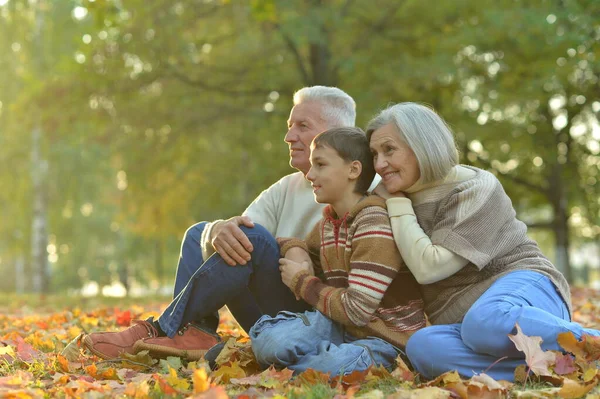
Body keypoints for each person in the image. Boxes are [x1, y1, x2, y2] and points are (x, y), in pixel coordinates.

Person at [83, 86, 379, 361]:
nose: (289, 137)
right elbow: (239, 234)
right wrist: (216, 231)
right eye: (289, 126)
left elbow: (260, 242)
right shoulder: (286, 187)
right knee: (200, 232)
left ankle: (162, 329)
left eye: (302, 126)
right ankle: (197, 332)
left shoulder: (369, 188)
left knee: (253, 240)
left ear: (338, 132)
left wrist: (294, 249)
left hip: (322, 316)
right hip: (275, 310)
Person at [366, 102, 600, 381]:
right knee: (423, 347)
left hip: (524, 288)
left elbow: (429, 268)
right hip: (466, 326)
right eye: (374, 154)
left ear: (422, 145)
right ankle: (551, 367)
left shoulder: (475, 187)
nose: (379, 164)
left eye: (389, 150)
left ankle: (591, 342)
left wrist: (396, 203)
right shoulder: (388, 198)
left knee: (486, 322)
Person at [250, 127, 426, 376]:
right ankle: (310, 355)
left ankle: (312, 361)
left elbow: (357, 310)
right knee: (271, 343)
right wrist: (295, 250)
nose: (310, 175)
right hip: (340, 326)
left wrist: (302, 282)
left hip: (385, 338)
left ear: (353, 170)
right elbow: (297, 244)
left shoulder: (373, 223)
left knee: (325, 368)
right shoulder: (330, 222)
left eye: (320, 165)